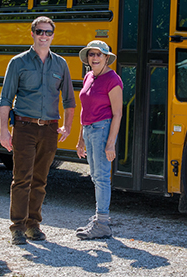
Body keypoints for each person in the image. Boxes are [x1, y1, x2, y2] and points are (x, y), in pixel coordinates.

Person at [0, 16, 76, 245]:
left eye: (48, 32)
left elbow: (70, 100)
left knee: (40, 180)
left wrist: (68, 127)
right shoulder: (18, 62)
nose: (44, 36)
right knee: (21, 178)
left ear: (53, 35)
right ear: (32, 33)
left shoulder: (60, 64)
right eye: (40, 32)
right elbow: (5, 99)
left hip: (50, 129)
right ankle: (17, 227)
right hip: (24, 127)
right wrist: (4, 131)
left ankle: (34, 224)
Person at [75, 40, 123, 240]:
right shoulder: (88, 77)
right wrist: (80, 139)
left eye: (99, 54)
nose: (94, 58)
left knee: (102, 177)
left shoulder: (113, 79)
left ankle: (102, 223)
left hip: (103, 130)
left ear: (106, 58)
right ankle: (98, 219)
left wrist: (111, 143)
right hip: (89, 130)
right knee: (95, 176)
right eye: (91, 54)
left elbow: (118, 113)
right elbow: (84, 110)